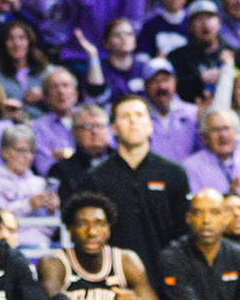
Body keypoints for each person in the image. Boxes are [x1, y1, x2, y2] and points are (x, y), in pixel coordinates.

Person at [81, 96, 190, 287]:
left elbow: (183, 230)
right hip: (114, 280)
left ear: (150, 125)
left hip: (166, 278)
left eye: (139, 115)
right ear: (113, 128)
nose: (133, 121)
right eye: (125, 116)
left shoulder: (174, 174)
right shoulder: (95, 179)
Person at [39, 194, 158, 300]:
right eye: (82, 224)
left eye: (99, 224)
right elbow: (52, 296)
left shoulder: (126, 260)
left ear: (108, 229)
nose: (92, 232)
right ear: (70, 230)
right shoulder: (54, 262)